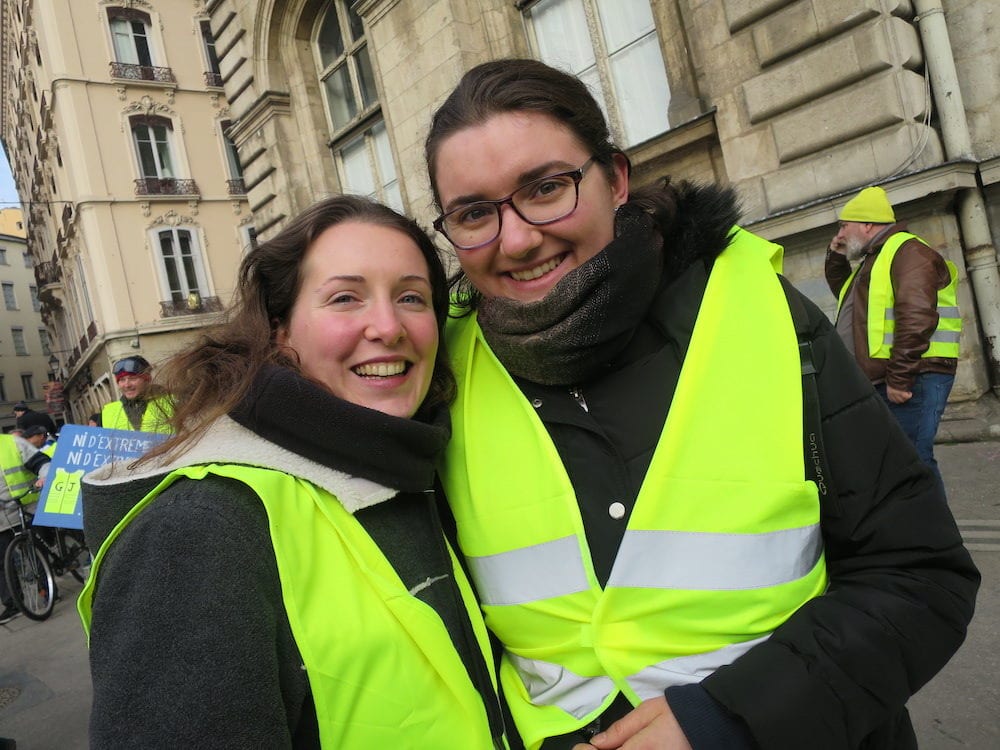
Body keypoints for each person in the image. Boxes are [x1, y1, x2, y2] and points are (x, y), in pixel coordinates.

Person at [425, 59, 979, 750]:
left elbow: (920, 577)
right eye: (474, 212)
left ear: (616, 180)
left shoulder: (761, 316)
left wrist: (734, 719)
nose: (516, 238)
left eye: (545, 188)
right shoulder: (439, 374)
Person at [78, 195, 507, 748]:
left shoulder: (411, 468)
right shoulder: (201, 530)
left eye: (411, 297)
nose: (388, 326)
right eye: (346, 297)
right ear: (279, 331)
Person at [826, 186, 960, 484]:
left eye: (844, 225)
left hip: (916, 376)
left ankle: (933, 530)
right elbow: (850, 300)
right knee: (902, 461)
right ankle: (919, 527)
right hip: (896, 377)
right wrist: (836, 257)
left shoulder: (907, 252)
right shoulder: (876, 259)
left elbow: (916, 316)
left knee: (912, 461)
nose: (840, 233)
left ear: (867, 224)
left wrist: (900, 379)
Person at [0, 431, 52, 624]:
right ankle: (12, 603)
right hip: (1, 520)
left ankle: (46, 588)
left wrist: (44, 475)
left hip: (27, 507)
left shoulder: (11, 443)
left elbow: (40, 462)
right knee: (1, 562)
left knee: (36, 551)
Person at [100, 355, 173, 433]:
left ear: (147, 379)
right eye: (122, 380)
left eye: (132, 378)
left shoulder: (173, 403)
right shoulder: (109, 412)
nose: (127, 385)